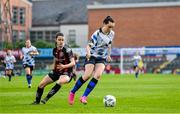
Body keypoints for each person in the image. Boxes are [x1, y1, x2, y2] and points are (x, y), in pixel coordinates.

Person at [68, 16, 115, 105]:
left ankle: (84, 97)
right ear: (104, 24)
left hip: (101, 57)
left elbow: (109, 45)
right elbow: (88, 45)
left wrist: (109, 55)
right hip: (92, 56)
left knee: (98, 75)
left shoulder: (112, 33)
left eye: (112, 27)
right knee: (87, 75)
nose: (110, 29)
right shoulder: (96, 34)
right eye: (109, 26)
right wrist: (88, 53)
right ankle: (72, 92)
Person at [32, 32, 75, 104]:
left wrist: (64, 66)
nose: (61, 41)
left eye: (62, 40)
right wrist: (53, 68)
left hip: (66, 73)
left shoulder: (67, 50)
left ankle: (46, 99)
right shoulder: (54, 50)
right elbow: (56, 60)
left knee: (59, 81)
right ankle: (37, 102)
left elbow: (73, 63)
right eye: (59, 40)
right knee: (41, 84)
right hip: (56, 71)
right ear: (56, 40)